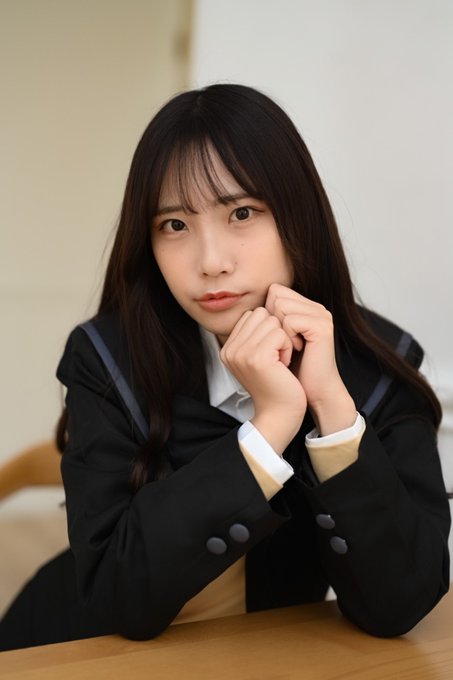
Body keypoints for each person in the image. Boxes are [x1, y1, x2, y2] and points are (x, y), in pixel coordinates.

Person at [0, 84, 450, 650]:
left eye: (242, 213)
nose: (211, 262)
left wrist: (331, 411)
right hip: (66, 653)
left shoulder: (380, 365)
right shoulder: (108, 358)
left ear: (298, 217)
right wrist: (270, 426)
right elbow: (117, 596)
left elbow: (400, 604)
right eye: (175, 225)